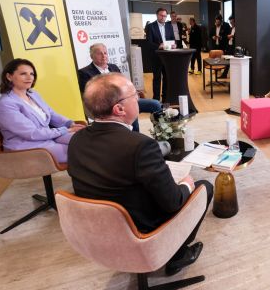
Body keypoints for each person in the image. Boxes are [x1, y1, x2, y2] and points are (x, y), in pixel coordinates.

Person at [68, 72, 213, 275]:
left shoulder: (77, 140)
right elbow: (172, 202)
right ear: (118, 108)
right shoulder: (139, 146)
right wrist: (187, 184)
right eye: (133, 94)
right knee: (204, 187)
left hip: (94, 230)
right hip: (140, 231)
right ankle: (176, 255)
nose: (138, 97)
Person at [0, 59, 85, 163]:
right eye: (23, 74)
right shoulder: (5, 104)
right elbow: (32, 133)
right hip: (28, 146)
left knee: (85, 141)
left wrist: (70, 124)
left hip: (47, 137)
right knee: (82, 152)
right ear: (9, 76)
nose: (29, 77)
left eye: (31, 74)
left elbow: (51, 114)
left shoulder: (33, 94)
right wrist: (65, 130)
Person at [77, 43, 162, 132]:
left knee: (155, 104)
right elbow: (91, 96)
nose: (103, 56)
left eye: (105, 53)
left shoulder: (113, 67)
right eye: (99, 53)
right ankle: (134, 137)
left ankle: (161, 133)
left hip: (126, 99)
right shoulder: (84, 72)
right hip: (108, 106)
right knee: (130, 109)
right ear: (92, 56)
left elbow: (124, 84)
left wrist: (133, 93)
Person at [145, 8, 174, 101]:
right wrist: (159, 46)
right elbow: (149, 43)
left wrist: (174, 44)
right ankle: (156, 99)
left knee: (167, 78)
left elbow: (172, 39)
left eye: (165, 15)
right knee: (157, 79)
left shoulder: (170, 26)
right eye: (161, 15)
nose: (163, 17)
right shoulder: (150, 26)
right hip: (156, 57)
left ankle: (165, 98)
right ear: (157, 15)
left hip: (167, 57)